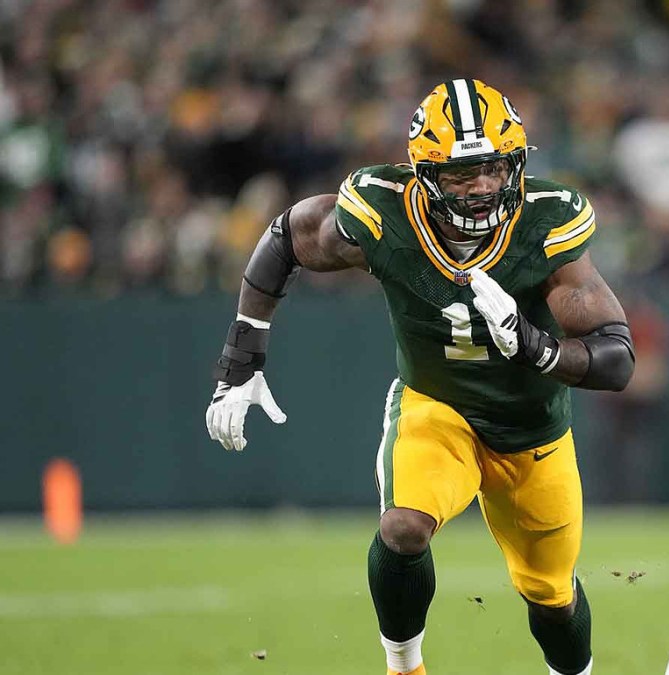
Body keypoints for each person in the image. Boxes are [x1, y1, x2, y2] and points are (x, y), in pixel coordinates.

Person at [204, 79, 634, 675]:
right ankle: (405, 668)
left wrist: (539, 350)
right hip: (438, 410)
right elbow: (290, 236)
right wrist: (241, 355)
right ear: (425, 175)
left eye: (492, 168)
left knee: (552, 596)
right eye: (461, 174)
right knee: (404, 528)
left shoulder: (545, 221)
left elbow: (616, 358)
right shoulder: (385, 212)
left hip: (532, 430)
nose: (482, 186)